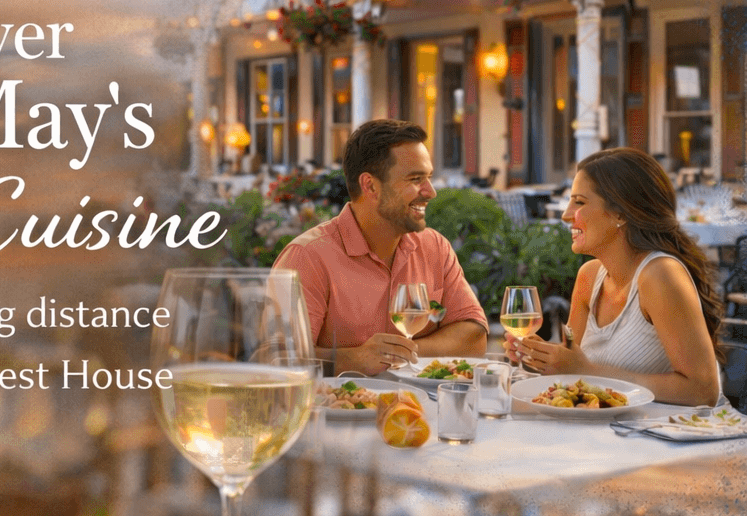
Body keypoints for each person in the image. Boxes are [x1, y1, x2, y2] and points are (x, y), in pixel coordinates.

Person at [507, 148, 722, 407]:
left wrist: (587, 371)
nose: (566, 215)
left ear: (620, 213)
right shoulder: (588, 277)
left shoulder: (660, 275)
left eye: (579, 202)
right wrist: (540, 358)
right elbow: (574, 376)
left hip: (668, 436)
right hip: (606, 435)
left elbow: (703, 390)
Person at [274, 119, 487, 375]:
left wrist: (401, 354)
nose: (430, 192)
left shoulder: (434, 247)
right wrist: (351, 360)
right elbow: (275, 359)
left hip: (421, 411)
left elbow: (474, 335)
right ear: (370, 186)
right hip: (339, 412)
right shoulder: (307, 257)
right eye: (416, 179)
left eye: (428, 178)